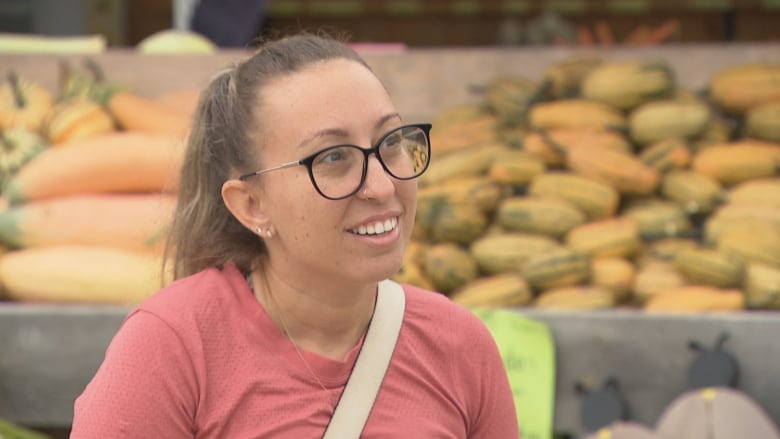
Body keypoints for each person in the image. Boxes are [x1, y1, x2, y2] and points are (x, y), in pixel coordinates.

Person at [70, 32, 519, 438]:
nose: (382, 186)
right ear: (251, 204)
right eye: (332, 157)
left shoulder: (461, 347)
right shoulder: (171, 348)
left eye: (391, 142)